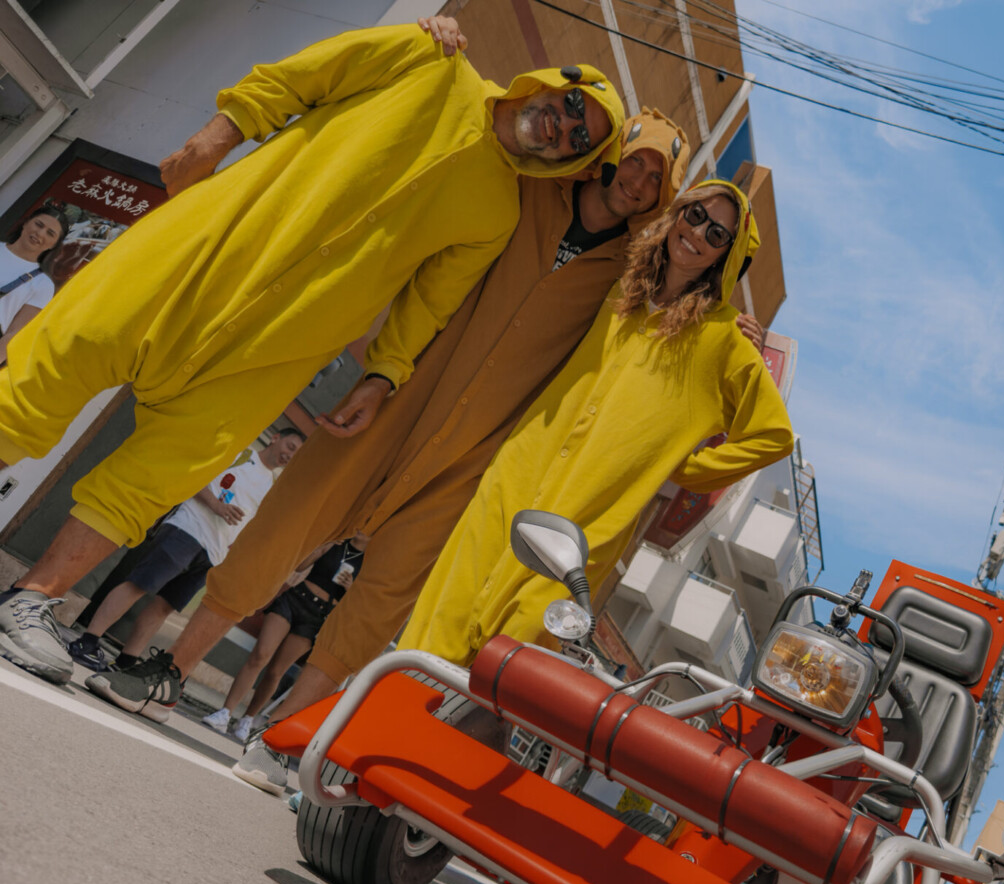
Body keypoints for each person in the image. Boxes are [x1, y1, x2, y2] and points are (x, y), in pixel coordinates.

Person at [0, 19, 624, 686]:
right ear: (546, 85)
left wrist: (381, 376)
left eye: (580, 136)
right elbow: (299, 78)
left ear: (572, 162)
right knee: (42, 377)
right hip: (199, 255)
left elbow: (427, 305)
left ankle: (30, 601)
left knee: (158, 474)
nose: (562, 125)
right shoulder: (430, 60)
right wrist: (216, 134)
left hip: (281, 345)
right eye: (567, 104)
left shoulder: (497, 212)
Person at [88, 108, 695, 731]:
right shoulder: (530, 189)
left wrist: (735, 327)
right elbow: (478, 124)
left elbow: (676, 322)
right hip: (393, 396)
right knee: (280, 527)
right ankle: (172, 672)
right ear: (613, 156)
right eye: (639, 162)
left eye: (657, 180)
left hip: (472, 455)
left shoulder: (627, 280)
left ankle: (287, 734)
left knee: (382, 598)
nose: (641, 182)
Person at [244, 180, 793, 791]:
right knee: (436, 629)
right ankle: (340, 760)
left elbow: (773, 436)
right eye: (695, 215)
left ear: (727, 255)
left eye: (718, 233)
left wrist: (688, 470)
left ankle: (406, 789)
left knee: (506, 661)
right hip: (516, 479)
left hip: (582, 528)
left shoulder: (722, 340)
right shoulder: (621, 293)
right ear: (676, 215)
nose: (699, 234)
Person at [65, 430, 303, 698]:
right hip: (187, 530)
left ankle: (124, 663)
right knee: (138, 585)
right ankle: (86, 642)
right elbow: (196, 477)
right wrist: (216, 505)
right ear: (275, 438)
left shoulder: (271, 487)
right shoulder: (239, 454)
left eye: (295, 453)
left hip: (214, 554)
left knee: (164, 606)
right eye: (290, 445)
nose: (289, 454)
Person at [201, 535, 366, 743]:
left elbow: (358, 605)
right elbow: (300, 567)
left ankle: (247, 719)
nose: (364, 528)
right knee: (260, 655)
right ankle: (224, 712)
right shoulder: (337, 543)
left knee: (276, 671)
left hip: (317, 616)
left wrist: (350, 588)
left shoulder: (367, 564)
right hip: (296, 598)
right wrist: (322, 547)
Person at [0, 205, 68, 360]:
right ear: (26, 223)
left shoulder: (42, 284)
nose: (40, 233)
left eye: (50, 233)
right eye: (39, 224)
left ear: (53, 245)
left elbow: (13, 335)